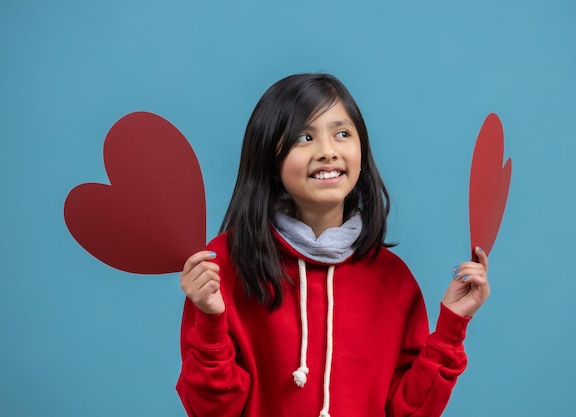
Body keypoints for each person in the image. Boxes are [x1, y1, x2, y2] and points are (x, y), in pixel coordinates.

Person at [176, 73, 490, 417]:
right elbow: (210, 411)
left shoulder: (393, 279)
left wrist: (450, 328)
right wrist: (209, 320)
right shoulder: (222, 265)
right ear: (270, 154)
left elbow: (409, 412)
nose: (327, 152)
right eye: (304, 137)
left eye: (342, 134)